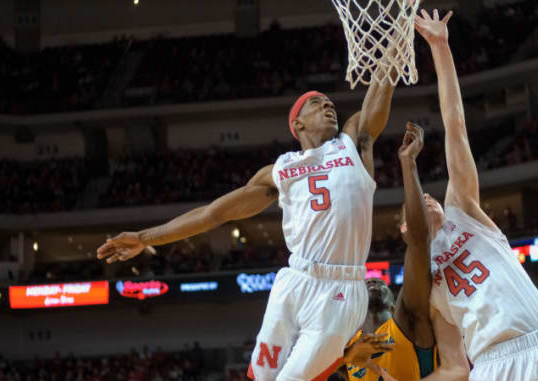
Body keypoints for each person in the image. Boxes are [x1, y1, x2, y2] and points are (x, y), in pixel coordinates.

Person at [97, 68, 397, 379]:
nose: (328, 105)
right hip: (294, 283)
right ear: (298, 123)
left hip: (342, 289)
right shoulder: (281, 170)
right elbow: (214, 213)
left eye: (329, 102)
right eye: (317, 102)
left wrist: (393, 52)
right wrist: (146, 238)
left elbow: (379, 94)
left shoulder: (352, 144)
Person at [400, 9, 538, 380]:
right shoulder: (421, 282)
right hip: (490, 366)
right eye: (416, 203)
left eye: (429, 195)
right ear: (405, 229)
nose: (428, 199)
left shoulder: (462, 210)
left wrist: (440, 48)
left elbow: (456, 126)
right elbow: (453, 366)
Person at [340, 123, 437, 381]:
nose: (372, 279)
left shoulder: (408, 317)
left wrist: (408, 163)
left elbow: (418, 242)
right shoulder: (347, 352)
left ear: (395, 302)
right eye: (368, 281)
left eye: (381, 283)